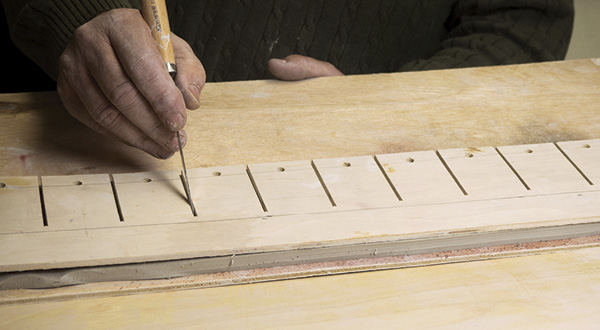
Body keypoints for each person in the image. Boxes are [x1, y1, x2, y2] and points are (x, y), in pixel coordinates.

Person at [2, 0, 574, 159]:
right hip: (82, 135)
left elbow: (525, 15)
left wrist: (394, 97)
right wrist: (75, 11)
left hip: (379, 150)